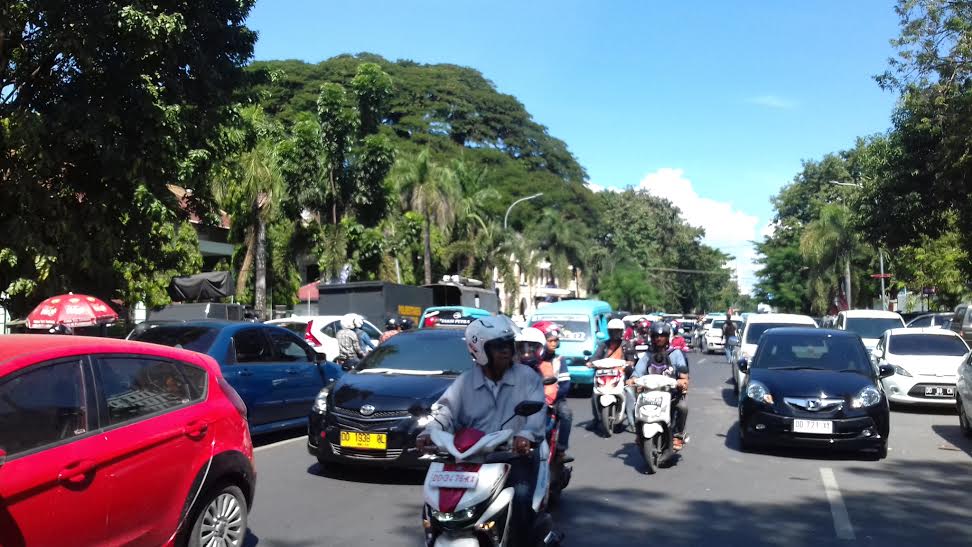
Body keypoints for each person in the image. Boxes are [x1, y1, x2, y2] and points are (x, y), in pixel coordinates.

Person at [416, 316, 546, 547]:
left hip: (514, 456)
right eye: (498, 347)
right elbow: (445, 412)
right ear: (480, 350)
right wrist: (429, 431)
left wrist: (524, 436)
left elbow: (536, 416)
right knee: (435, 504)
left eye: (508, 345)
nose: (506, 351)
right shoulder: (465, 383)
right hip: (470, 459)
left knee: (522, 498)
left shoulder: (528, 378)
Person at [624, 322, 690, 450]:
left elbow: (683, 375)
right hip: (649, 396)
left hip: (671, 395)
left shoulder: (675, 354)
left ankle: (677, 435)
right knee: (634, 409)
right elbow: (637, 372)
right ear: (651, 337)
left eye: (662, 336)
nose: (658, 339)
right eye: (655, 336)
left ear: (667, 337)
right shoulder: (647, 355)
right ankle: (639, 433)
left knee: (683, 407)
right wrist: (632, 379)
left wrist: (683, 381)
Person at [532, 321, 574, 461]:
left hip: (555, 400)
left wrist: (553, 400)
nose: (554, 343)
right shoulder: (530, 361)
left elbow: (565, 385)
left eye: (556, 340)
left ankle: (561, 450)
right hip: (534, 399)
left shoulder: (559, 360)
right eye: (550, 340)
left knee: (566, 414)